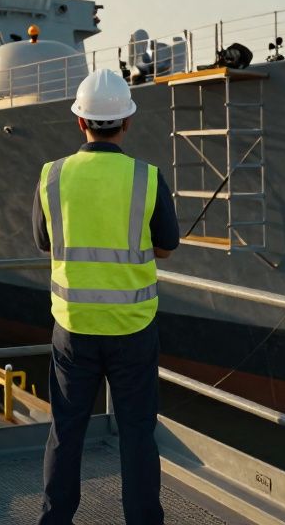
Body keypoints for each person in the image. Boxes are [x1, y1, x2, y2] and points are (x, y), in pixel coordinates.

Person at [33, 69, 178, 525]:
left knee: (66, 432)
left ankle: (54, 520)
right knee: (137, 434)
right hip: (133, 328)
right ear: (127, 122)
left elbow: (44, 241)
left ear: (80, 122)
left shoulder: (51, 176)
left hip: (72, 328)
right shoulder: (147, 178)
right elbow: (167, 246)